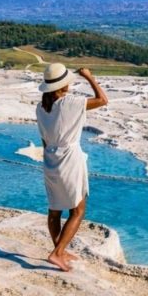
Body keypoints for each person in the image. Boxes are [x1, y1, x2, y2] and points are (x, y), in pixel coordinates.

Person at [35, 63, 108, 272]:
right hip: (69, 158)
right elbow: (103, 100)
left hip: (50, 159)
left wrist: (50, 158)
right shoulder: (70, 103)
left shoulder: (41, 107)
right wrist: (89, 76)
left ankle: (59, 249)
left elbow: (43, 139)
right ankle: (57, 253)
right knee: (77, 209)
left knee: (55, 209)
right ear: (65, 84)